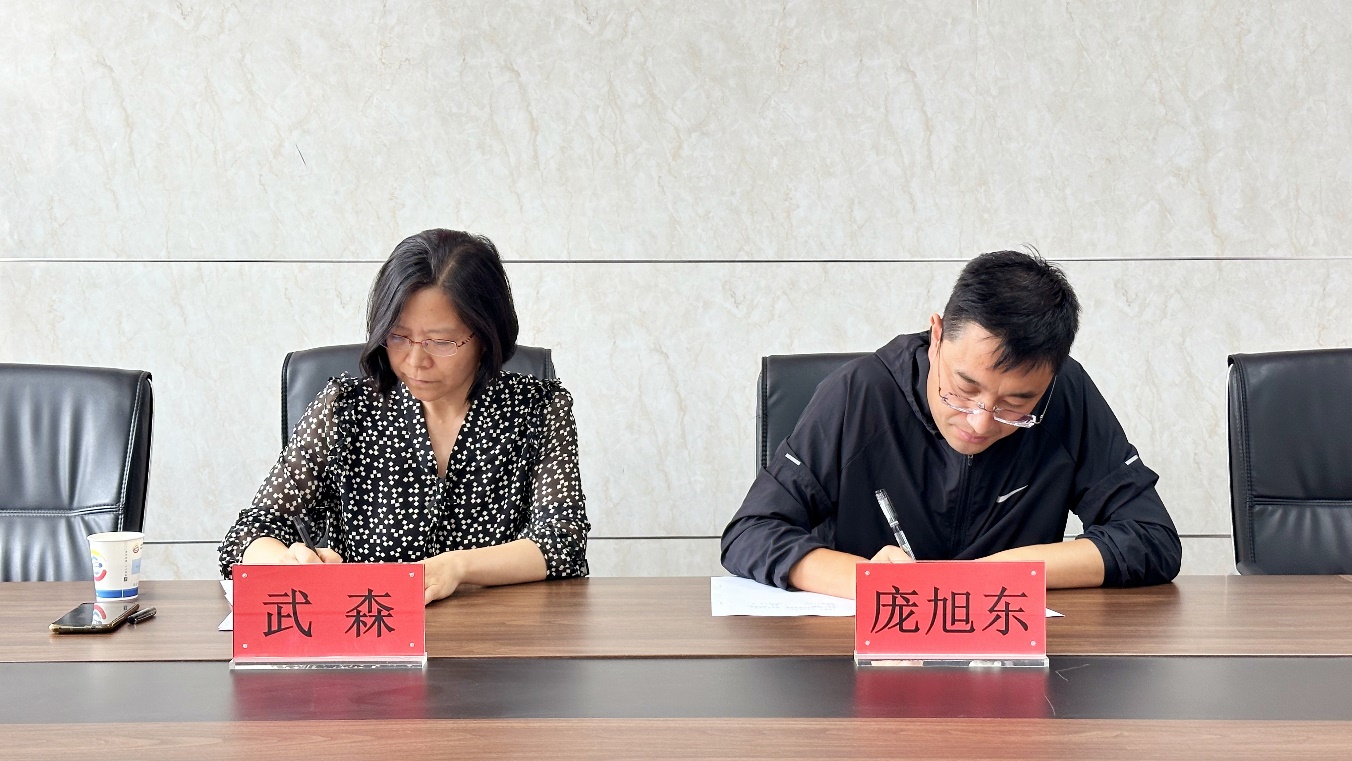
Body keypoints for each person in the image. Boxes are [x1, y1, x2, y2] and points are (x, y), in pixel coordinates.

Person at [721, 250, 1181, 598]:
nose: (980, 423)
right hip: (865, 660)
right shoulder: (859, 393)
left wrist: (1005, 572)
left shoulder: (1067, 395)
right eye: (963, 388)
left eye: (1015, 404)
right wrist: (864, 579)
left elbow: (1151, 538)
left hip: (1009, 664)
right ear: (937, 335)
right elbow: (750, 532)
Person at [219, 229, 590, 603]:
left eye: (440, 342)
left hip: (498, 631)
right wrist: (286, 562)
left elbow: (562, 541)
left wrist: (456, 567)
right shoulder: (343, 408)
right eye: (397, 337)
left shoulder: (540, 408)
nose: (415, 361)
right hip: (372, 626)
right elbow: (249, 532)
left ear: (486, 335)